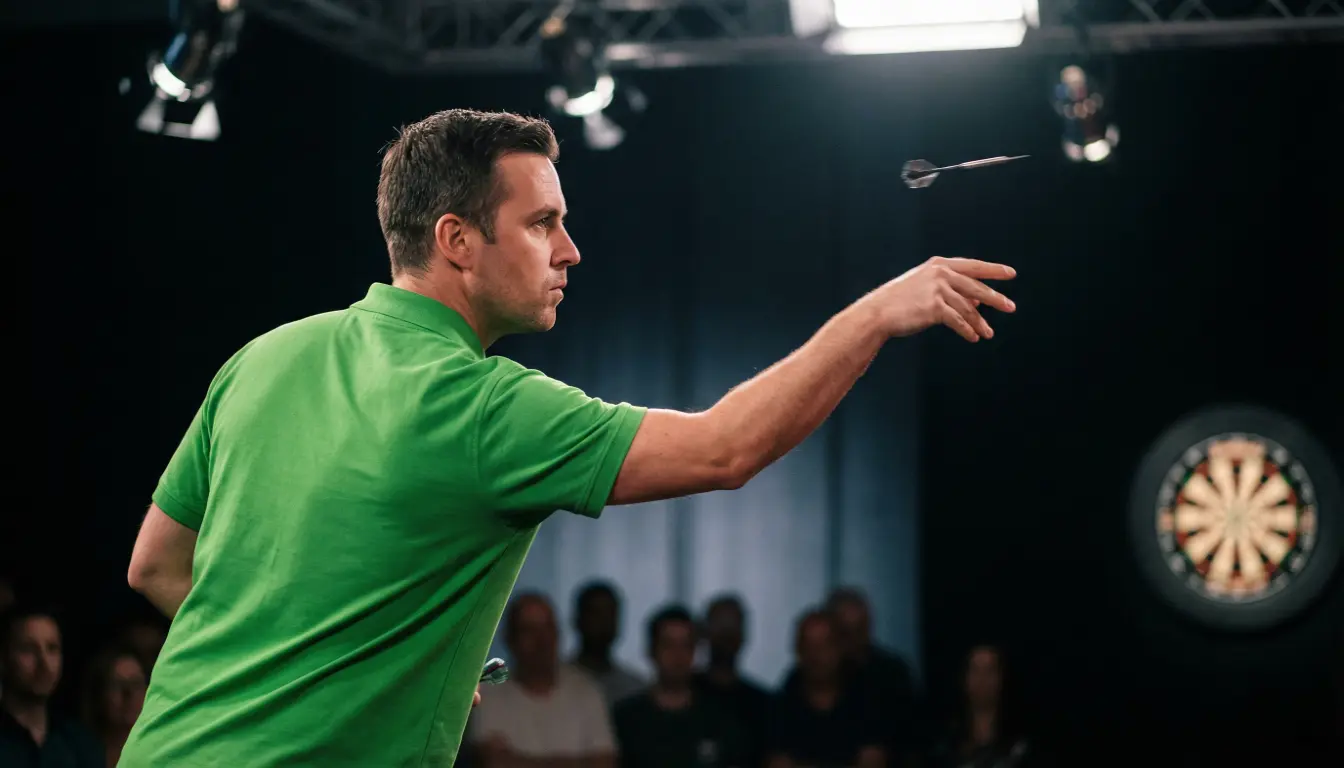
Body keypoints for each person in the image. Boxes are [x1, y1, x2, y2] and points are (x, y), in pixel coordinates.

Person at [119, 108, 1016, 767]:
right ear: (456, 240)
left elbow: (157, 566)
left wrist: (374, 662)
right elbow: (725, 449)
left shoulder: (265, 359)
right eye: (543, 223)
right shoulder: (482, 407)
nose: (570, 248)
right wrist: (873, 315)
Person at [467, 593, 617, 767]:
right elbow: (493, 762)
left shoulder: (586, 690)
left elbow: (605, 763)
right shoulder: (490, 695)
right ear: (510, 638)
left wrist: (520, 760)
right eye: (529, 630)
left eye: (548, 628)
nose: (542, 640)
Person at [614, 605, 750, 768]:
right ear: (651, 651)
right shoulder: (626, 719)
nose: (678, 656)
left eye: (686, 645)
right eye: (668, 645)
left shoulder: (719, 718)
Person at [0, 606, 103, 768]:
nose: (44, 663)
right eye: (28, 649)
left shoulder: (79, 743)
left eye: (52, 648)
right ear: (3, 658)